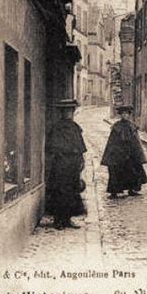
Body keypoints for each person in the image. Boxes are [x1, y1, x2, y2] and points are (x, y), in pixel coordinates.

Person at [46, 98, 87, 229]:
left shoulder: (75, 127)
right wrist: (63, 155)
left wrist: (81, 160)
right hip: (61, 165)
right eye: (66, 111)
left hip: (73, 166)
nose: (68, 114)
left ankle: (68, 219)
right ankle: (58, 220)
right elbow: (52, 147)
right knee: (60, 192)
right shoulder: (57, 128)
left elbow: (80, 146)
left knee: (72, 192)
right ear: (62, 113)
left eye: (70, 111)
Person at [100, 105, 147, 198]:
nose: (125, 116)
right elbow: (112, 142)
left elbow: (136, 141)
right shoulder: (116, 127)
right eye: (123, 114)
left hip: (130, 154)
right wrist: (114, 153)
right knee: (117, 171)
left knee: (132, 170)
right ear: (120, 115)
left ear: (129, 115)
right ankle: (115, 191)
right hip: (119, 154)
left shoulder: (132, 126)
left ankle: (132, 189)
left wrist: (137, 153)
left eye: (127, 114)